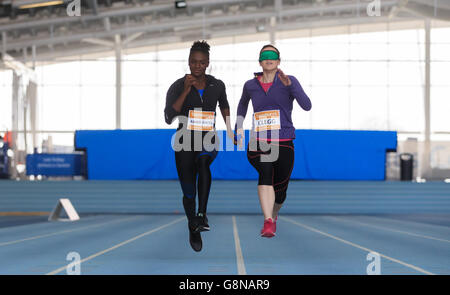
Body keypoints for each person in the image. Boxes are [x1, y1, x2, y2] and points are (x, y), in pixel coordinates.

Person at [235, 44, 312, 238]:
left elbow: (307, 106)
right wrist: (238, 126)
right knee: (266, 170)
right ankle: (268, 221)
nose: (269, 59)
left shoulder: (289, 81)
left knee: (280, 192)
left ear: (278, 61)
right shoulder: (250, 85)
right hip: (259, 140)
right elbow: (243, 104)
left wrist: (291, 86)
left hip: (284, 140)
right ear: (260, 61)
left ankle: (274, 214)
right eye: (265, 56)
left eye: (273, 56)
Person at [164, 40, 233, 252]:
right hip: (184, 141)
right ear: (188, 62)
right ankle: (192, 225)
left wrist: (229, 128)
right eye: (194, 62)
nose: (197, 66)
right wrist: (186, 90)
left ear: (208, 63)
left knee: (204, 163)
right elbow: (168, 117)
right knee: (188, 193)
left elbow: (224, 104)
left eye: (202, 62)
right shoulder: (177, 85)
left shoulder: (217, 85)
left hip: (207, 138)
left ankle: (202, 215)